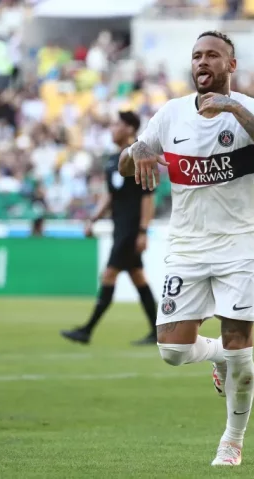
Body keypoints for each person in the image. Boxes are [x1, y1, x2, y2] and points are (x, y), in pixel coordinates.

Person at [118, 31, 254, 466]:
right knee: (173, 351)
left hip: (239, 244)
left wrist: (233, 107)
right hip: (187, 246)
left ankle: (232, 441)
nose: (203, 62)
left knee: (242, 349)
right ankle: (215, 355)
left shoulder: (252, 109)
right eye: (197, 56)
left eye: (213, 55)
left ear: (230, 65)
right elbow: (127, 163)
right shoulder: (171, 114)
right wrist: (136, 148)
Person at [61, 111, 158, 346]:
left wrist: (143, 231)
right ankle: (157, 332)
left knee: (109, 274)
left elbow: (148, 196)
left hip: (131, 229)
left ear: (130, 129)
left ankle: (87, 330)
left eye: (117, 125)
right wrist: (93, 219)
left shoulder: (140, 154)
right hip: (120, 226)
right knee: (138, 277)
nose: (112, 128)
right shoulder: (113, 159)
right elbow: (111, 195)